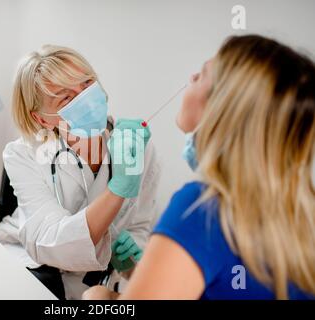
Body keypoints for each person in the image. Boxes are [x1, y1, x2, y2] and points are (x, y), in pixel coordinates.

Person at [83, 35, 315, 300]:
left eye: (202, 74)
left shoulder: (202, 209)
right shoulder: (300, 212)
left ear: (225, 110)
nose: (191, 77)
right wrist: (140, 271)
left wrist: (103, 298)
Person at [0, 45, 161, 300]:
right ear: (43, 120)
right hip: (34, 265)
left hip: (100, 280)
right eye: (66, 98)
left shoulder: (134, 145)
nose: (86, 98)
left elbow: (139, 224)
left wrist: (132, 254)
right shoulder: (23, 154)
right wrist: (118, 189)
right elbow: (49, 240)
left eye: (87, 83)